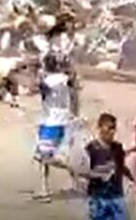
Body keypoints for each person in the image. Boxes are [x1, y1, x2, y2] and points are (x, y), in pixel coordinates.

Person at [33, 52, 77, 200]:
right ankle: (45, 188)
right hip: (58, 119)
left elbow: (35, 90)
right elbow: (74, 93)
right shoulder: (64, 79)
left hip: (52, 121)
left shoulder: (47, 81)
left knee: (43, 156)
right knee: (43, 155)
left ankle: (74, 171)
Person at [80, 113, 134, 220]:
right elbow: (83, 172)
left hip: (116, 196)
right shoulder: (91, 149)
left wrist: (132, 179)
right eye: (109, 128)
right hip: (98, 198)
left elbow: (121, 166)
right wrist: (99, 175)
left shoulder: (118, 148)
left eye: (114, 128)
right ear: (100, 128)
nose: (112, 131)